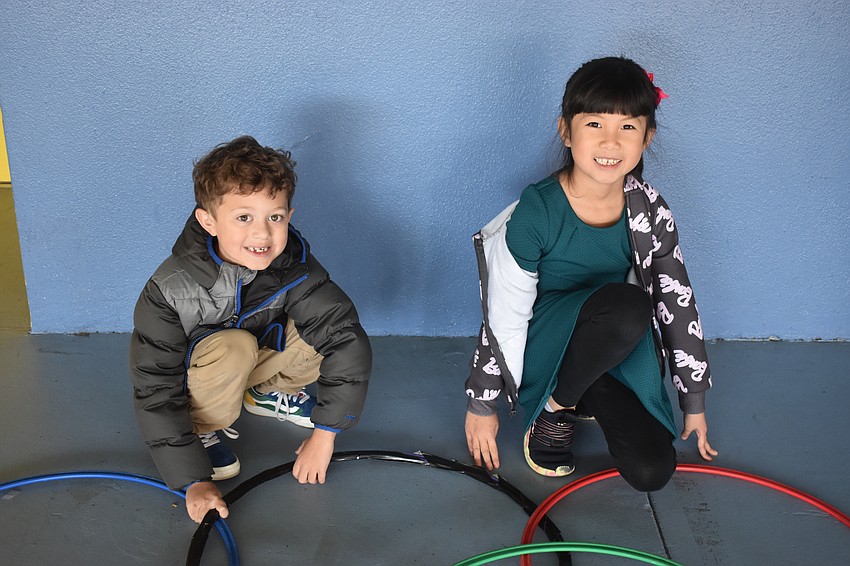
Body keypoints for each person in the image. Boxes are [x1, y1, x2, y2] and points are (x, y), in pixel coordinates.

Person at [464, 56, 717, 492]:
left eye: (628, 127)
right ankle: (554, 410)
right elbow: (502, 309)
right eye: (595, 124)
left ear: (647, 137)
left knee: (652, 470)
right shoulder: (538, 210)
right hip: (549, 335)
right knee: (627, 306)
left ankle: (585, 387)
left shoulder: (650, 210)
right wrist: (482, 403)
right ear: (566, 130)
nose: (611, 142)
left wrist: (693, 399)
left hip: (614, 338)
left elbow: (676, 298)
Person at [129, 135, 371, 522]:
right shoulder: (168, 289)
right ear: (208, 221)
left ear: (289, 216)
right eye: (243, 217)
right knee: (235, 345)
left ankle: (267, 392)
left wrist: (326, 435)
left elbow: (344, 337)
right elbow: (155, 386)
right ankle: (203, 426)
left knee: (320, 330)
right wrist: (192, 479)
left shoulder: (294, 265)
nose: (262, 234)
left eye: (274, 217)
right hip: (205, 375)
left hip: (252, 361)